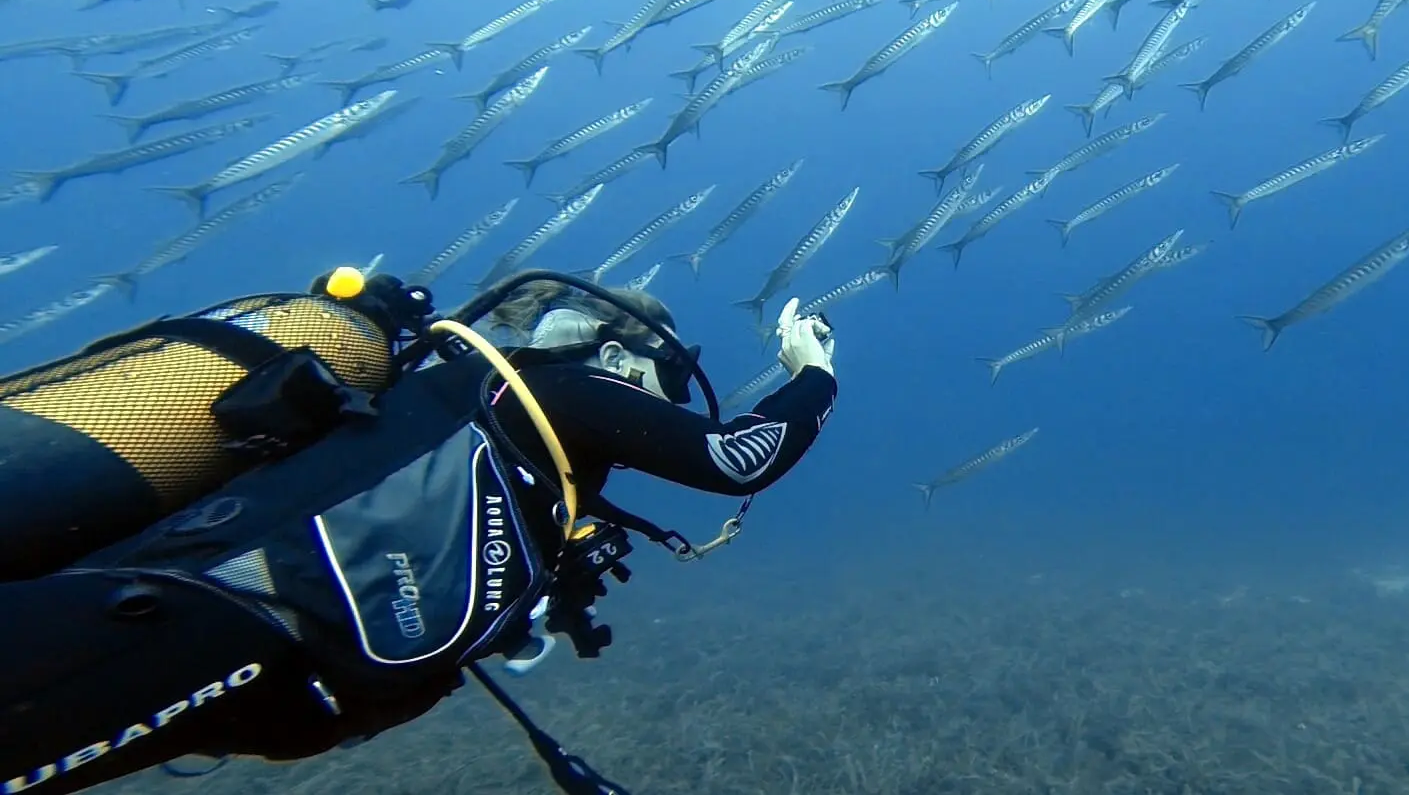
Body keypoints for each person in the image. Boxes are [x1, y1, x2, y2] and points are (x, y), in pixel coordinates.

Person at [0, 268, 838, 795]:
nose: (662, 406)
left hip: (254, 654)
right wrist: (812, 372)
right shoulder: (556, 392)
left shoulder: (485, 419)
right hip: (220, 620)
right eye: (662, 381)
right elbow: (738, 460)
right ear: (619, 356)